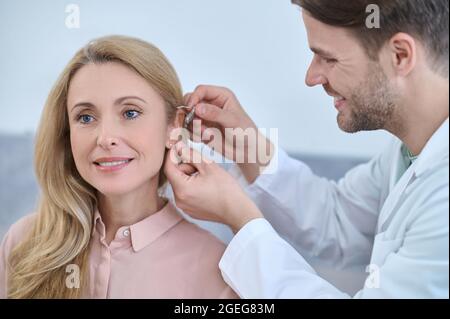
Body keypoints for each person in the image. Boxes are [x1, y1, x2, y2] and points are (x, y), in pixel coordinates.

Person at [164, 0, 449, 298]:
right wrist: (250, 150)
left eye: (329, 59)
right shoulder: (409, 151)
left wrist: (239, 217)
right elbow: (339, 221)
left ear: (399, 55)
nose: (311, 77)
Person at [0, 35, 238, 299]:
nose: (105, 138)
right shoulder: (23, 243)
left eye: (130, 113)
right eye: (86, 117)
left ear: (174, 126)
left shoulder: (219, 270)